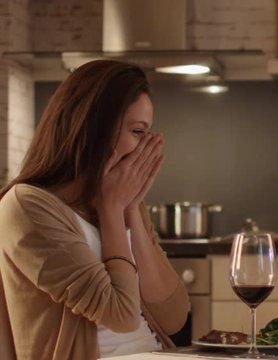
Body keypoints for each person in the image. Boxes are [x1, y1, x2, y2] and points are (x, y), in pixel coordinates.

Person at [0, 60, 190, 359]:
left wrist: (130, 209)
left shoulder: (127, 204)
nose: (145, 148)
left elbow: (175, 317)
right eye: (138, 132)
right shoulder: (26, 206)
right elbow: (122, 315)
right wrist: (112, 209)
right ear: (94, 129)